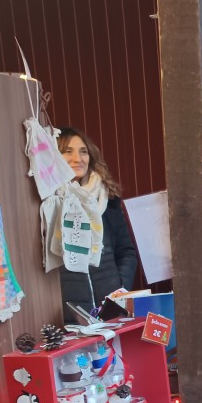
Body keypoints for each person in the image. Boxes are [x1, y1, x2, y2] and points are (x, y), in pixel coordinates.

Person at [56, 128, 137, 316]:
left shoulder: (106, 199)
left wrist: (120, 288)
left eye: (83, 151)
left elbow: (126, 252)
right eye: (68, 151)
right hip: (70, 315)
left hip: (112, 307)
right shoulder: (49, 203)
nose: (78, 158)